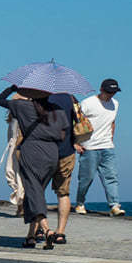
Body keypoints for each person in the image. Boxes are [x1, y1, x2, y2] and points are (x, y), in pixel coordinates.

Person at [0, 84, 63, 249]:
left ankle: (47, 230)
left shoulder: (23, 106)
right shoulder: (58, 110)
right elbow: (63, 133)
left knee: (33, 192)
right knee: (35, 192)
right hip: (52, 153)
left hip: (32, 151)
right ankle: (31, 236)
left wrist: (12, 88)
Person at [74, 78, 123, 216]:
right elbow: (74, 121)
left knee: (111, 177)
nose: (111, 95)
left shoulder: (115, 104)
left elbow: (112, 122)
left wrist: (111, 137)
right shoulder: (88, 103)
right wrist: (75, 143)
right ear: (101, 89)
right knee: (86, 178)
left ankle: (114, 206)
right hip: (89, 147)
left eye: (113, 92)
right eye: (108, 92)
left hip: (107, 146)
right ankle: (79, 203)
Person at [46, 88, 79, 244]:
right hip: (66, 151)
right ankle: (60, 233)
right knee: (63, 193)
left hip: (43, 152)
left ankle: (41, 231)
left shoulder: (39, 98)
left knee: (36, 192)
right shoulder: (69, 99)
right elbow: (77, 122)